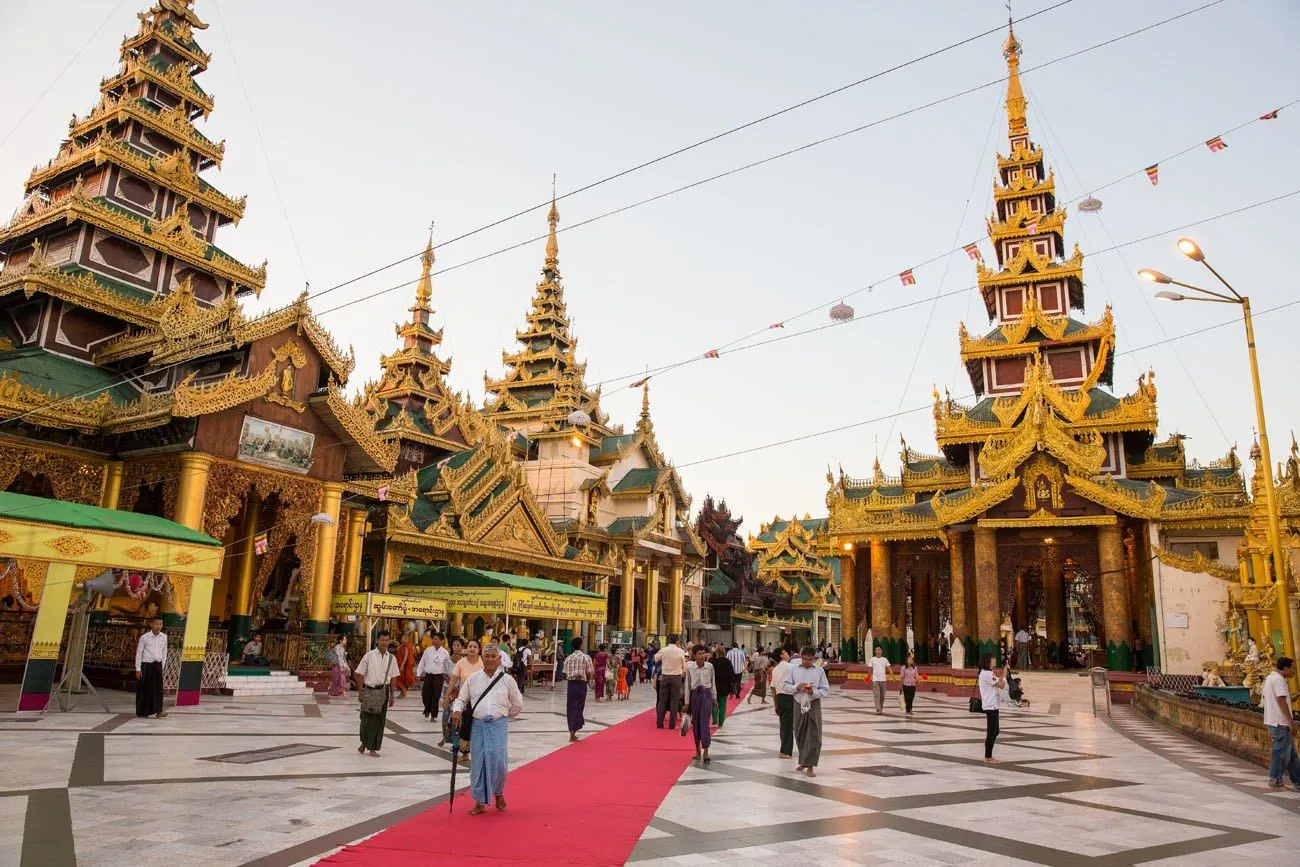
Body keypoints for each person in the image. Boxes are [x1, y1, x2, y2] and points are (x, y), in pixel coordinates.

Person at [452, 644, 524, 815]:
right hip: (478, 726)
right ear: (482, 659)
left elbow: (518, 703)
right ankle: (480, 801)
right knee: (479, 763)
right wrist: (457, 710)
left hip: (498, 725)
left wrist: (504, 715)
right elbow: (461, 699)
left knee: (498, 763)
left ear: (499, 659)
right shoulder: (473, 679)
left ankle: (498, 792)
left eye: (493, 656)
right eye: (487, 656)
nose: (490, 659)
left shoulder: (508, 680)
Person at [783, 646, 830, 777]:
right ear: (801, 657)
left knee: (815, 735)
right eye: (804, 659)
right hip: (798, 703)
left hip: (813, 704)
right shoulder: (794, 670)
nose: (806, 662)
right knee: (799, 732)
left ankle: (810, 765)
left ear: (814, 659)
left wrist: (813, 692)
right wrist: (796, 687)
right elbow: (785, 685)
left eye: (810, 660)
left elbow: (825, 690)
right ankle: (804, 761)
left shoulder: (819, 671)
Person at [354, 631, 399, 757]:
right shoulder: (369, 656)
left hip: (383, 691)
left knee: (379, 721)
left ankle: (372, 748)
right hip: (369, 691)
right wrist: (360, 692)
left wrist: (392, 695)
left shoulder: (392, 658)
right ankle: (364, 742)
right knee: (366, 720)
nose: (384, 642)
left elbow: (394, 677)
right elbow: (360, 674)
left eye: (386, 640)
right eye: (382, 640)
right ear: (377, 641)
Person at [1263, 656, 1300, 791]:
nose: (1294, 672)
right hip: (1281, 722)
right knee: (1281, 753)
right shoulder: (1279, 680)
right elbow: (1281, 701)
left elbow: (1282, 698)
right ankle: (1275, 780)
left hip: (1274, 721)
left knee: (1291, 755)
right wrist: (1291, 722)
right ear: (1285, 668)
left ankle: (1298, 781)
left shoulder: (1270, 678)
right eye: (1293, 669)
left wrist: (1294, 696)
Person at [447, 639, 485, 763]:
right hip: (465, 699)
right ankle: (464, 752)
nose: (472, 649)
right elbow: (453, 680)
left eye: (475, 647)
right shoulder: (461, 663)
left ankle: (481, 751)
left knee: (480, 726)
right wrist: (446, 695)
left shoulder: (483, 662)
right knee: (464, 726)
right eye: (470, 646)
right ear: (466, 648)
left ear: (479, 649)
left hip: (481, 700)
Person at [685, 644, 716, 763]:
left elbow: (713, 683)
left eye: (703, 653)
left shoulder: (710, 667)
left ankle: (706, 751)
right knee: (696, 723)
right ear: (694, 655)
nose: (702, 656)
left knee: (705, 723)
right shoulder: (690, 668)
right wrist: (687, 703)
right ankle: (697, 750)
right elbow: (687, 686)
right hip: (695, 696)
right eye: (699, 653)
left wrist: (714, 698)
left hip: (706, 695)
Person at [978, 652, 1010, 765]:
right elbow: (1000, 684)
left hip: (993, 705)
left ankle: (988, 755)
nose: (995, 661)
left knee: (995, 731)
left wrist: (1002, 675)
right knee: (991, 732)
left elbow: (998, 681)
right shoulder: (986, 673)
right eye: (993, 659)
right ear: (988, 661)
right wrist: (1005, 674)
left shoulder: (988, 673)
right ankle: (988, 756)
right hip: (990, 705)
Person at [134, 617, 168, 719]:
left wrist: (162, 665)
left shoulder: (164, 637)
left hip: (157, 665)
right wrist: (138, 669)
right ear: (151, 625)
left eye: (160, 624)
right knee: (145, 689)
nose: (158, 626)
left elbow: (164, 652)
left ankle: (158, 711)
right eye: (156, 624)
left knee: (158, 689)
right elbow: (139, 653)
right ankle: (142, 712)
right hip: (146, 665)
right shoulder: (144, 637)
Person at [562, 636, 594, 742]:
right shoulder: (586, 657)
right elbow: (590, 672)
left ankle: (572, 729)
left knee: (570, 707)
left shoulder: (568, 658)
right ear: (581, 645)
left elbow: (565, 673)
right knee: (579, 707)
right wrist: (589, 681)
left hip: (571, 685)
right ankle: (573, 731)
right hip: (581, 684)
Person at [416, 631, 452, 719]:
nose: (434, 641)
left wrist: (449, 677)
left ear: (441, 641)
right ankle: (427, 709)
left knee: (436, 695)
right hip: (428, 676)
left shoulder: (445, 653)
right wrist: (418, 673)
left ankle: (433, 715)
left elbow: (447, 666)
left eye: (436, 639)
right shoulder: (428, 651)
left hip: (439, 677)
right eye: (434, 639)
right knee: (425, 694)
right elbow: (422, 662)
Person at [655, 633, 687, 730]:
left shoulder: (664, 650)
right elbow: (684, 665)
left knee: (662, 700)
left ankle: (660, 723)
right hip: (676, 677)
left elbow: (656, 658)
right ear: (677, 641)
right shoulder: (681, 651)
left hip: (664, 677)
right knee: (674, 701)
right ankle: (672, 725)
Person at [439, 637, 465, 748]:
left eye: (458, 645)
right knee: (446, 714)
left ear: (462, 647)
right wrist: (452, 686)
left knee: (457, 714)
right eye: (454, 645)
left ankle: (457, 738)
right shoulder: (447, 659)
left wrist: (458, 689)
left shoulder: (464, 661)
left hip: (461, 690)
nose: (456, 647)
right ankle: (445, 737)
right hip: (448, 689)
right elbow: (444, 674)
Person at [771, 648, 795, 758]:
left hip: (780, 698)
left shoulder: (775, 669)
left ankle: (785, 749)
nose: (787, 654)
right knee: (788, 726)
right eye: (785, 652)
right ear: (781, 655)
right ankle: (785, 751)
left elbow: (773, 688)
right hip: (788, 698)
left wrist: (775, 704)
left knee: (784, 724)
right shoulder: (790, 667)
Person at [710, 645, 735, 729]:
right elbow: (731, 675)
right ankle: (721, 723)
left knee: (714, 703)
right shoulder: (728, 662)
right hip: (725, 687)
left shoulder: (713, 662)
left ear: (716, 652)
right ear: (724, 652)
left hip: (715, 686)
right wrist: (732, 689)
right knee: (722, 705)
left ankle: (714, 721)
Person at [394, 633, 417, 699]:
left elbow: (406, 657)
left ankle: (404, 691)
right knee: (402, 679)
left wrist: (402, 666)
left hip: (404, 665)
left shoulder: (406, 646)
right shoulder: (403, 645)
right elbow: (397, 649)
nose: (401, 639)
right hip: (401, 664)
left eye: (403, 638)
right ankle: (402, 693)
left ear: (407, 639)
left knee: (398, 679)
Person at [869, 646, 891, 715]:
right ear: (875, 651)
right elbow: (870, 669)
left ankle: (880, 708)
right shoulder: (872, 659)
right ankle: (878, 709)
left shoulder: (884, 659)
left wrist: (892, 675)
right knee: (876, 695)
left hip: (883, 680)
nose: (878, 651)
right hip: (875, 680)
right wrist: (870, 677)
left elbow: (888, 667)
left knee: (882, 696)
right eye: (876, 649)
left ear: (881, 651)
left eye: (879, 649)